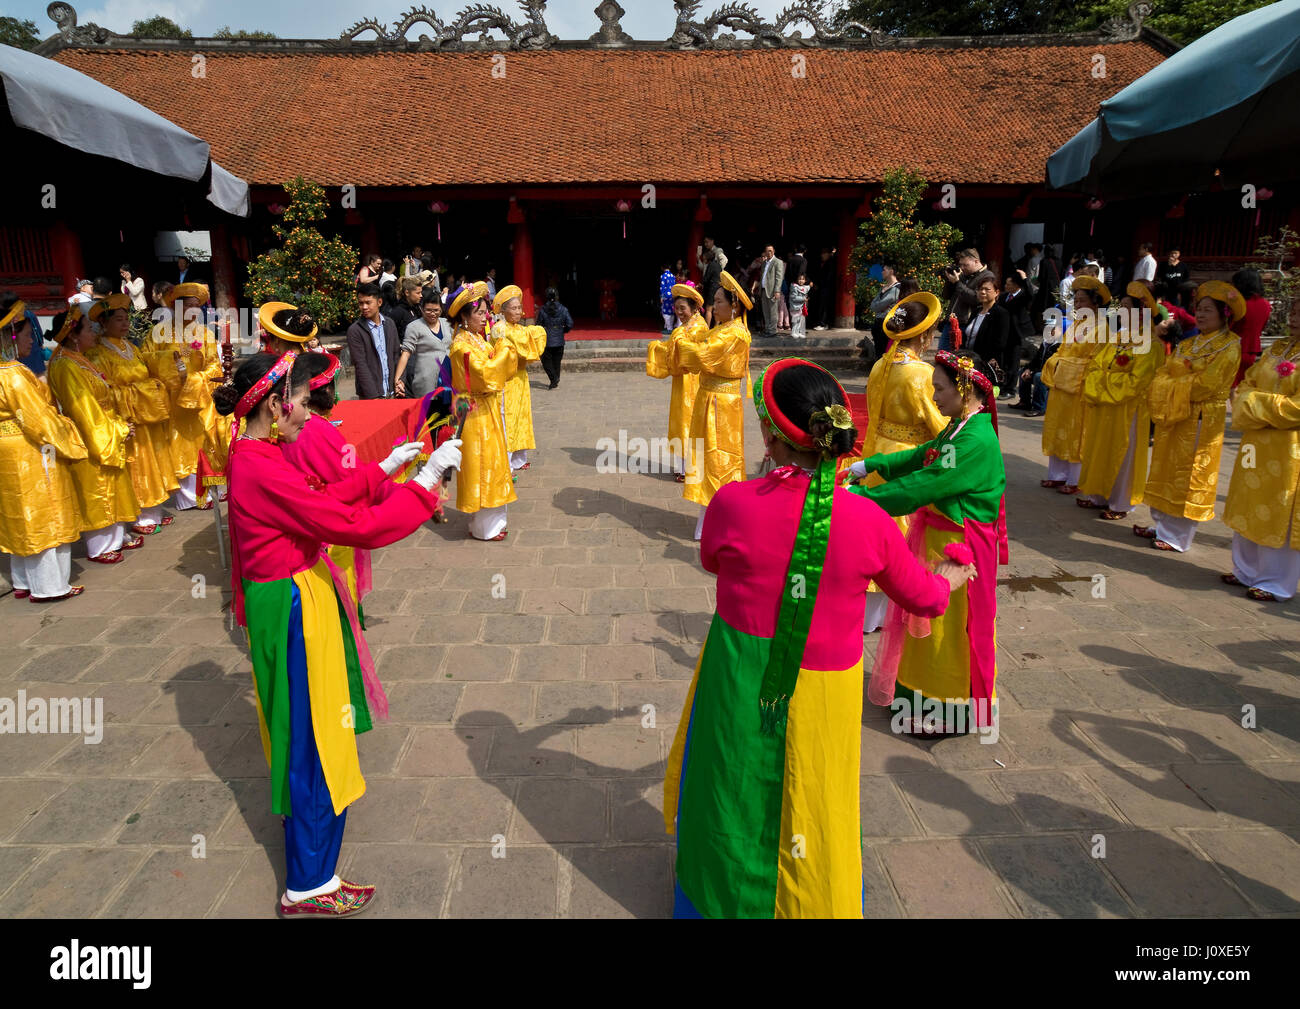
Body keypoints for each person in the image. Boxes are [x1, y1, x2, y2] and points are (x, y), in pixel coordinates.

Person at [663, 357, 968, 918]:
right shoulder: (869, 520)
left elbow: (712, 560)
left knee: (730, 780)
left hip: (738, 668)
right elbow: (924, 597)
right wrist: (950, 576)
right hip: (824, 686)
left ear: (772, 438)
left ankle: (717, 897)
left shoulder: (732, 504)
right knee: (813, 794)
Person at [216, 349, 458, 918]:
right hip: (294, 607)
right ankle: (308, 884)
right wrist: (423, 484)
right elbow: (349, 526)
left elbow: (320, 501)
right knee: (312, 741)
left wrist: (383, 471)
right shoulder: (262, 464)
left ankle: (314, 870)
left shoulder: (257, 452)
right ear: (275, 405)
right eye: (299, 401)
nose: (306, 413)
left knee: (312, 732)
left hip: (294, 598)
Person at [847, 350, 1007, 735]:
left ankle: (947, 710)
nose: (933, 397)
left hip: (960, 548)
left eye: (939, 388)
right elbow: (926, 456)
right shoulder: (959, 427)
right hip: (940, 538)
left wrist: (863, 501)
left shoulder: (976, 439)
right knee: (923, 620)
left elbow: (929, 482)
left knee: (948, 630)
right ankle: (915, 695)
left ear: (965, 388)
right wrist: (875, 465)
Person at [847, 293, 947, 633]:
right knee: (901, 534)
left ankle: (870, 612)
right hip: (907, 453)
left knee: (877, 528)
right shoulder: (921, 373)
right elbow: (938, 423)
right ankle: (897, 606)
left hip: (879, 450)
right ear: (922, 335)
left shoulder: (880, 364)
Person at [1135, 281, 1244, 552]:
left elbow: (1207, 384)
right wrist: (1177, 378)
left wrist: (1176, 379)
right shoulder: (1190, 342)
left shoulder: (1229, 346)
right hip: (1175, 413)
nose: (1202, 315)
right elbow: (1162, 372)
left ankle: (1177, 535)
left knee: (1189, 473)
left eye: (1208, 310)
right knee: (1165, 467)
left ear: (1224, 314)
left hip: (1201, 417)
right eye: (1199, 309)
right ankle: (1162, 524)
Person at [0, 298, 89, 603]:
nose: (31, 341)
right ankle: (50, 585)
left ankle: (24, 579)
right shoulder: (13, 374)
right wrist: (70, 437)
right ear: (12, 337)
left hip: (6, 451)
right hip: (29, 450)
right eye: (26, 335)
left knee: (17, 513)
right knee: (44, 512)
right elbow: (40, 421)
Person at [47, 305, 143, 564]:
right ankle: (99, 546)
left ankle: (116, 535)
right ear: (73, 335)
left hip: (105, 423)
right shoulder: (66, 365)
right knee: (98, 487)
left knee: (113, 484)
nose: (94, 333)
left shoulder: (79, 358)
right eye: (89, 329)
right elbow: (83, 410)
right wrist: (117, 429)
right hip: (90, 432)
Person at [1222, 296, 1300, 600]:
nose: (1293, 317)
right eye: (1293, 310)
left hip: (1289, 449)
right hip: (1258, 441)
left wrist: (1255, 404)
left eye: (1299, 312)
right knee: (1249, 502)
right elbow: (1246, 385)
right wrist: (1252, 401)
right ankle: (1247, 570)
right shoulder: (1279, 347)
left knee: (1280, 509)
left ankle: (1276, 582)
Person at [87, 293, 178, 534]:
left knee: (153, 461)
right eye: (118, 320)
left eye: (126, 319)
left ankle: (153, 511)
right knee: (137, 466)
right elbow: (105, 391)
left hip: (146, 414)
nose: (125, 324)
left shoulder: (130, 347)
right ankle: (140, 515)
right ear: (104, 324)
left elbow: (147, 371)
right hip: (128, 418)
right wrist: (140, 391)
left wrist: (153, 384)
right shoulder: (98, 354)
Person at [672, 270, 752, 539]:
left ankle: (723, 517)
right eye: (714, 301)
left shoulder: (736, 334)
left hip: (722, 405)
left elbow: (703, 354)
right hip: (710, 399)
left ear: (734, 306)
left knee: (719, 459)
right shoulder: (722, 329)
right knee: (707, 457)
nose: (713, 306)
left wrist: (680, 341)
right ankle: (711, 517)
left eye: (719, 301)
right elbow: (700, 342)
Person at [1075, 282, 1162, 520]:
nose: (1121, 312)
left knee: (1124, 455)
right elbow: (1094, 365)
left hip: (1128, 409)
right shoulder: (1116, 338)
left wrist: (1103, 383)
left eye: (1127, 307)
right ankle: (1099, 494)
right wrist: (1103, 383)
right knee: (1100, 449)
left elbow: (1138, 381)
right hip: (1105, 405)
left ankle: (1121, 503)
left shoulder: (1150, 345)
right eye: (1120, 307)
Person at [448, 282, 518, 541]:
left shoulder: (475, 339)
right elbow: (488, 374)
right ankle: (485, 527)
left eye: (485, 312)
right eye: (479, 313)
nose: (485, 317)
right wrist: (504, 348)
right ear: (465, 316)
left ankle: (488, 523)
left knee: (492, 463)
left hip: (485, 409)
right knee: (484, 465)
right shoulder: (462, 346)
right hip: (474, 413)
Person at [646, 282, 709, 481]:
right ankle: (683, 467)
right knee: (682, 421)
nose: (679, 312)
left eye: (683, 308)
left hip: (693, 381)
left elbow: (684, 352)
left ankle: (690, 469)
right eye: (677, 308)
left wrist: (660, 348)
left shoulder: (699, 328)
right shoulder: (687, 326)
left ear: (695, 308)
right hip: (683, 381)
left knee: (690, 423)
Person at [491, 286, 545, 472]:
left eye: (519, 307)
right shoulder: (499, 329)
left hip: (520, 378)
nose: (519, 312)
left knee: (522, 417)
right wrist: (530, 333)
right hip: (506, 379)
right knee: (507, 418)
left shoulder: (520, 329)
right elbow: (521, 344)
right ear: (503, 310)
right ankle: (505, 461)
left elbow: (533, 340)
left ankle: (519, 459)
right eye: (513, 308)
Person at [395, 291, 453, 400]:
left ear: (441, 309)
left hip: (449, 378)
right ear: (422, 309)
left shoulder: (447, 323)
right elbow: (405, 354)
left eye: (436, 310)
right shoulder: (414, 327)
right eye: (428, 310)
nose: (432, 313)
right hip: (426, 382)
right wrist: (398, 379)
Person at [347, 284, 399, 399]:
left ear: (379, 302)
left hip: (392, 391)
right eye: (361, 303)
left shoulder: (389, 324)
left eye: (368, 302)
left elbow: (396, 355)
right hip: (371, 395)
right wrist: (373, 396)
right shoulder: (355, 330)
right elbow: (360, 365)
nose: (364, 307)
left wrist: (399, 381)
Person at [965, 275, 1010, 386]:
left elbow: (1000, 342)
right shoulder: (976, 311)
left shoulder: (1001, 313)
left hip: (985, 362)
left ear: (996, 292)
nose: (983, 292)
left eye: (987, 289)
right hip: (968, 359)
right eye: (980, 289)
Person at [1231, 267, 1271, 385]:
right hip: (1252, 348)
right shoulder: (1266, 304)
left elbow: (1230, 326)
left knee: (1229, 386)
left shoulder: (1239, 305)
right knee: (1241, 383)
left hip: (1234, 348)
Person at [942, 248, 996, 331]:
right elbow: (946, 296)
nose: (962, 268)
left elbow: (976, 298)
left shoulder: (987, 276)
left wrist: (957, 283)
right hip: (950, 322)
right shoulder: (962, 275)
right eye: (960, 265)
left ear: (976, 262)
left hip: (966, 324)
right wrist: (950, 280)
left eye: (965, 265)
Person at [1000, 271, 1035, 393]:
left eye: (1008, 284)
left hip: (1017, 333)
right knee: (1004, 361)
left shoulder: (1023, 296)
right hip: (1005, 332)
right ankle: (1003, 385)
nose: (1006, 286)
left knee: (1014, 362)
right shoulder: (1003, 296)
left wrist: (1025, 279)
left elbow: (1031, 294)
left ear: (1016, 285)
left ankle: (1010, 389)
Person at [536, 287, 573, 389]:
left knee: (546, 361)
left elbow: (538, 325)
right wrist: (562, 331)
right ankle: (555, 378)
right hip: (559, 340)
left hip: (547, 340)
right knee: (557, 361)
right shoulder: (563, 309)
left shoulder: (543, 310)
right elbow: (569, 323)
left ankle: (553, 379)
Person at [868, 263, 901, 358]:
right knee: (878, 351)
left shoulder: (896, 289)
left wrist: (879, 305)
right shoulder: (884, 288)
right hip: (878, 323)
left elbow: (878, 306)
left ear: (891, 271)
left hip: (887, 323)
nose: (882, 272)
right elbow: (873, 306)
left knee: (884, 352)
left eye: (884, 270)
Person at [388, 277, 423, 347]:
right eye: (418, 293)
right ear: (407, 293)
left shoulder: (417, 308)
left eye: (421, 292)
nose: (421, 295)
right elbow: (390, 336)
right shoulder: (398, 312)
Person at [759, 245, 785, 339]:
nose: (768, 252)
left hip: (772, 290)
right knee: (766, 311)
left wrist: (777, 290)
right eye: (767, 251)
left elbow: (779, 277)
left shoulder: (778, 262)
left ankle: (773, 330)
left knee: (773, 311)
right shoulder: (764, 263)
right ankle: (767, 329)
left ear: (774, 251)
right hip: (763, 290)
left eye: (770, 251)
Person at [811, 246, 837, 331]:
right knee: (822, 305)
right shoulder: (825, 263)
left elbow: (828, 277)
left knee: (824, 306)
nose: (822, 255)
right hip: (823, 287)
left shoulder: (831, 263)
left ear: (828, 254)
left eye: (824, 253)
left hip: (827, 287)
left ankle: (823, 323)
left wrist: (821, 284)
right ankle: (823, 322)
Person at [699, 248, 722, 326]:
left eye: (704, 257)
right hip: (719, 289)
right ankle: (716, 327)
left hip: (712, 289)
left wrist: (700, 284)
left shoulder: (710, 265)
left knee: (709, 309)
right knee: (717, 309)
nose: (703, 259)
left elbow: (706, 279)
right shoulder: (718, 265)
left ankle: (707, 328)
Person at [788, 272, 811, 339]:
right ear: (797, 280)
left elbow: (808, 287)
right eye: (799, 279)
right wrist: (804, 299)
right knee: (795, 320)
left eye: (803, 279)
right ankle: (793, 332)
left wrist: (810, 285)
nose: (801, 281)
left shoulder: (804, 287)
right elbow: (794, 298)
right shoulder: (794, 287)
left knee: (800, 320)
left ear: (805, 280)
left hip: (801, 307)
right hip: (795, 307)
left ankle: (798, 332)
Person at [658, 263, 676, 334]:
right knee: (671, 311)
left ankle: (669, 328)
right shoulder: (673, 276)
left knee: (665, 312)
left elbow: (662, 287)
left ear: (662, 268)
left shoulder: (663, 276)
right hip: (672, 295)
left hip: (666, 295)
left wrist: (662, 296)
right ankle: (669, 326)